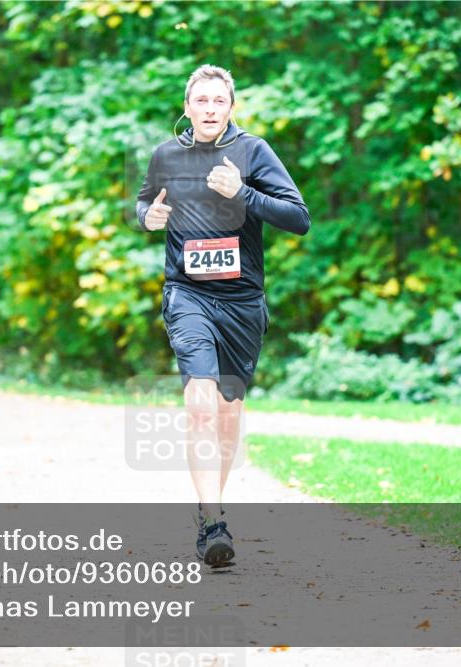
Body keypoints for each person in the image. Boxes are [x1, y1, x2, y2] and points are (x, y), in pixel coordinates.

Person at [135, 65, 310, 567]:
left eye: (219, 101)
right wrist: (146, 216)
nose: (210, 109)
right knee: (200, 404)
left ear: (231, 107)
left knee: (228, 415)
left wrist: (244, 194)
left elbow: (299, 219)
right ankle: (213, 523)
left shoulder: (253, 152)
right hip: (187, 294)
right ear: (187, 107)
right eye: (201, 101)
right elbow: (146, 203)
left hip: (241, 302)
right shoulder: (166, 155)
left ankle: (210, 505)